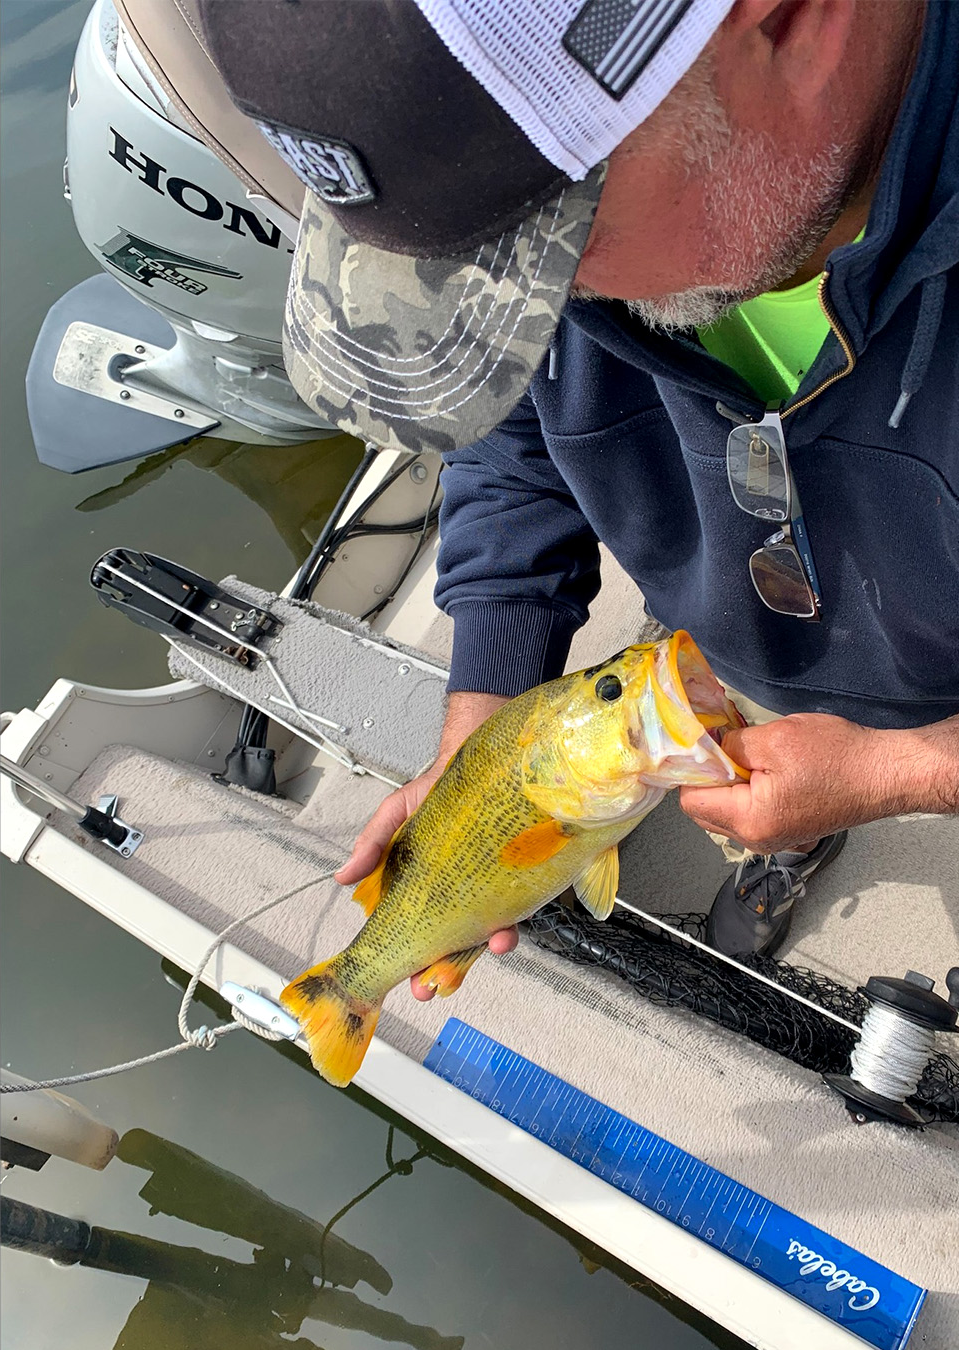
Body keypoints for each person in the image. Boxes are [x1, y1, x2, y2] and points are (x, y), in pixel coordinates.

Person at [191, 0, 959, 962]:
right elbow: (511, 424)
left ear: (791, 18)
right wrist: (487, 739)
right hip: (745, 665)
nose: (529, 309)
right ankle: (795, 834)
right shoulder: (586, 251)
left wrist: (901, 771)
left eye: (550, 244)